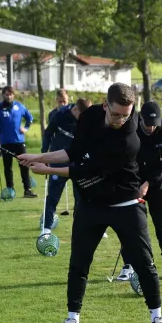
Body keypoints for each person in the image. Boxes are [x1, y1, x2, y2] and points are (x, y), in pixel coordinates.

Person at [19, 82, 162, 323]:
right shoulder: (90, 117)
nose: (121, 119)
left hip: (126, 203)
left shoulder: (130, 138)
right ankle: (72, 322)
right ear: (105, 105)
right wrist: (38, 156)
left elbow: (88, 169)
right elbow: (74, 152)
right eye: (116, 114)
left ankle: (157, 319)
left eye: (127, 114)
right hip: (92, 204)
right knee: (79, 264)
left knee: (144, 265)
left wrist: (47, 169)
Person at [116, 101, 162, 282]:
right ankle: (128, 266)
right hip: (133, 184)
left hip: (157, 184)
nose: (151, 127)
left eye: (155, 124)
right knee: (131, 226)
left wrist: (148, 183)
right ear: (140, 118)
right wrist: (134, 185)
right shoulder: (130, 130)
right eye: (147, 123)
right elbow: (125, 160)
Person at [40, 98, 92, 232]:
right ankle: (46, 229)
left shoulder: (86, 119)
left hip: (77, 165)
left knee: (81, 199)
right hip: (58, 163)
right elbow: (48, 134)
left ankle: (80, 227)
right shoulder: (59, 116)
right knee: (52, 197)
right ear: (75, 109)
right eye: (82, 115)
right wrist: (44, 153)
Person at [0, 86, 37, 198]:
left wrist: (25, 128)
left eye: (11, 94)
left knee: (24, 165)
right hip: (6, 143)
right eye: (7, 94)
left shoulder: (19, 106)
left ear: (14, 95)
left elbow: (29, 118)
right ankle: (10, 190)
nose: (9, 96)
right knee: (8, 167)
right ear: (3, 95)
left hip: (19, 142)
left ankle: (27, 189)